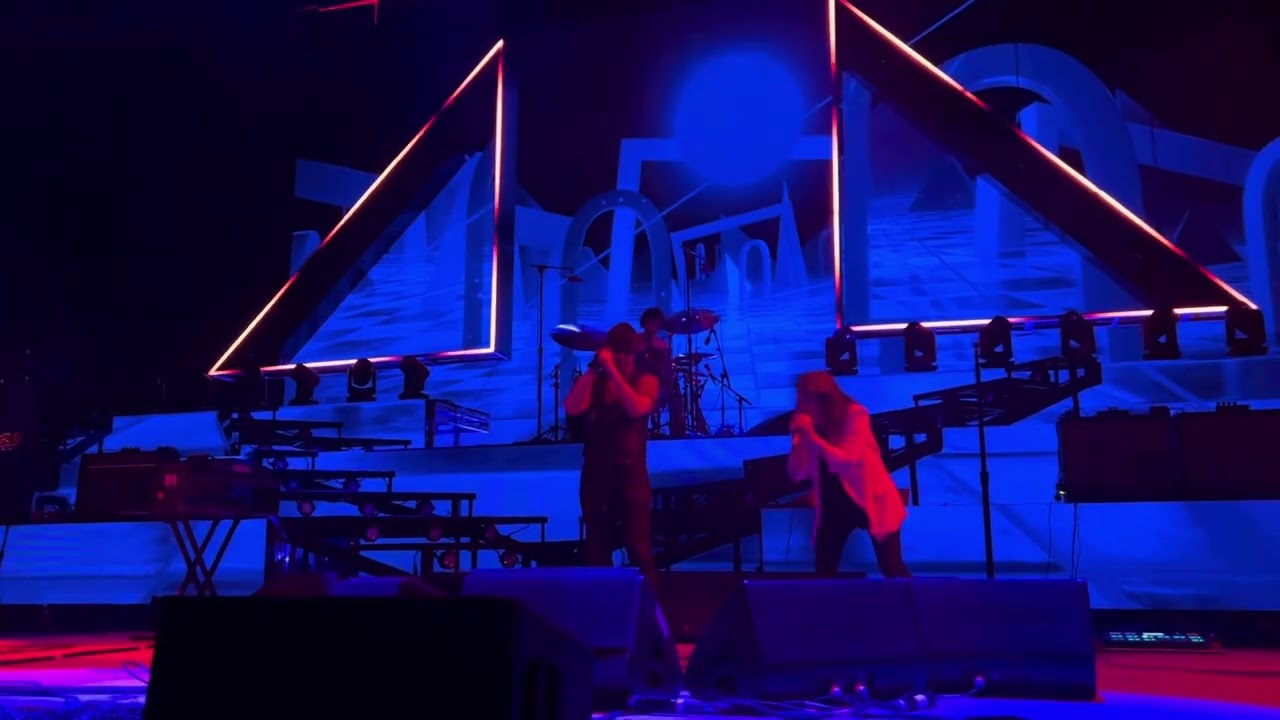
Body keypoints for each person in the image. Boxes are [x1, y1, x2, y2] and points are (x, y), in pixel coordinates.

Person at [564, 323, 662, 590]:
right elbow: (572, 407)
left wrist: (614, 374)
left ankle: (650, 605)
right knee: (597, 544)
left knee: (638, 547)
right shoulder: (596, 379)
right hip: (596, 472)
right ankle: (602, 601)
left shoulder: (646, 378)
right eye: (617, 352)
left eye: (627, 352)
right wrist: (594, 368)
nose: (622, 358)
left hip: (630, 473)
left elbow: (637, 408)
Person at [787, 371, 910, 578]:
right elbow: (797, 473)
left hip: (870, 499)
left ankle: (918, 598)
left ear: (820, 397)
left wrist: (811, 436)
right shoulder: (812, 426)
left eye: (803, 396)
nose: (800, 402)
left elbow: (847, 462)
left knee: (892, 566)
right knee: (824, 572)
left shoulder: (855, 415)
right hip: (834, 505)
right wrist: (798, 441)